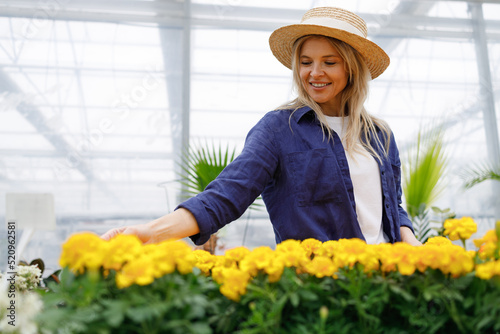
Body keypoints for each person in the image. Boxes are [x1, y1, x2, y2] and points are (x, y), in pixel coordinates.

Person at [102, 7, 421, 246]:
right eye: (306, 62)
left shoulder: (380, 135)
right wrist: (149, 233)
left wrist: (420, 251)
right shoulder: (280, 129)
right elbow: (225, 195)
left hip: (387, 284)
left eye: (329, 61)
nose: (314, 72)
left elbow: (393, 209)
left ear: (351, 68)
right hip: (319, 291)